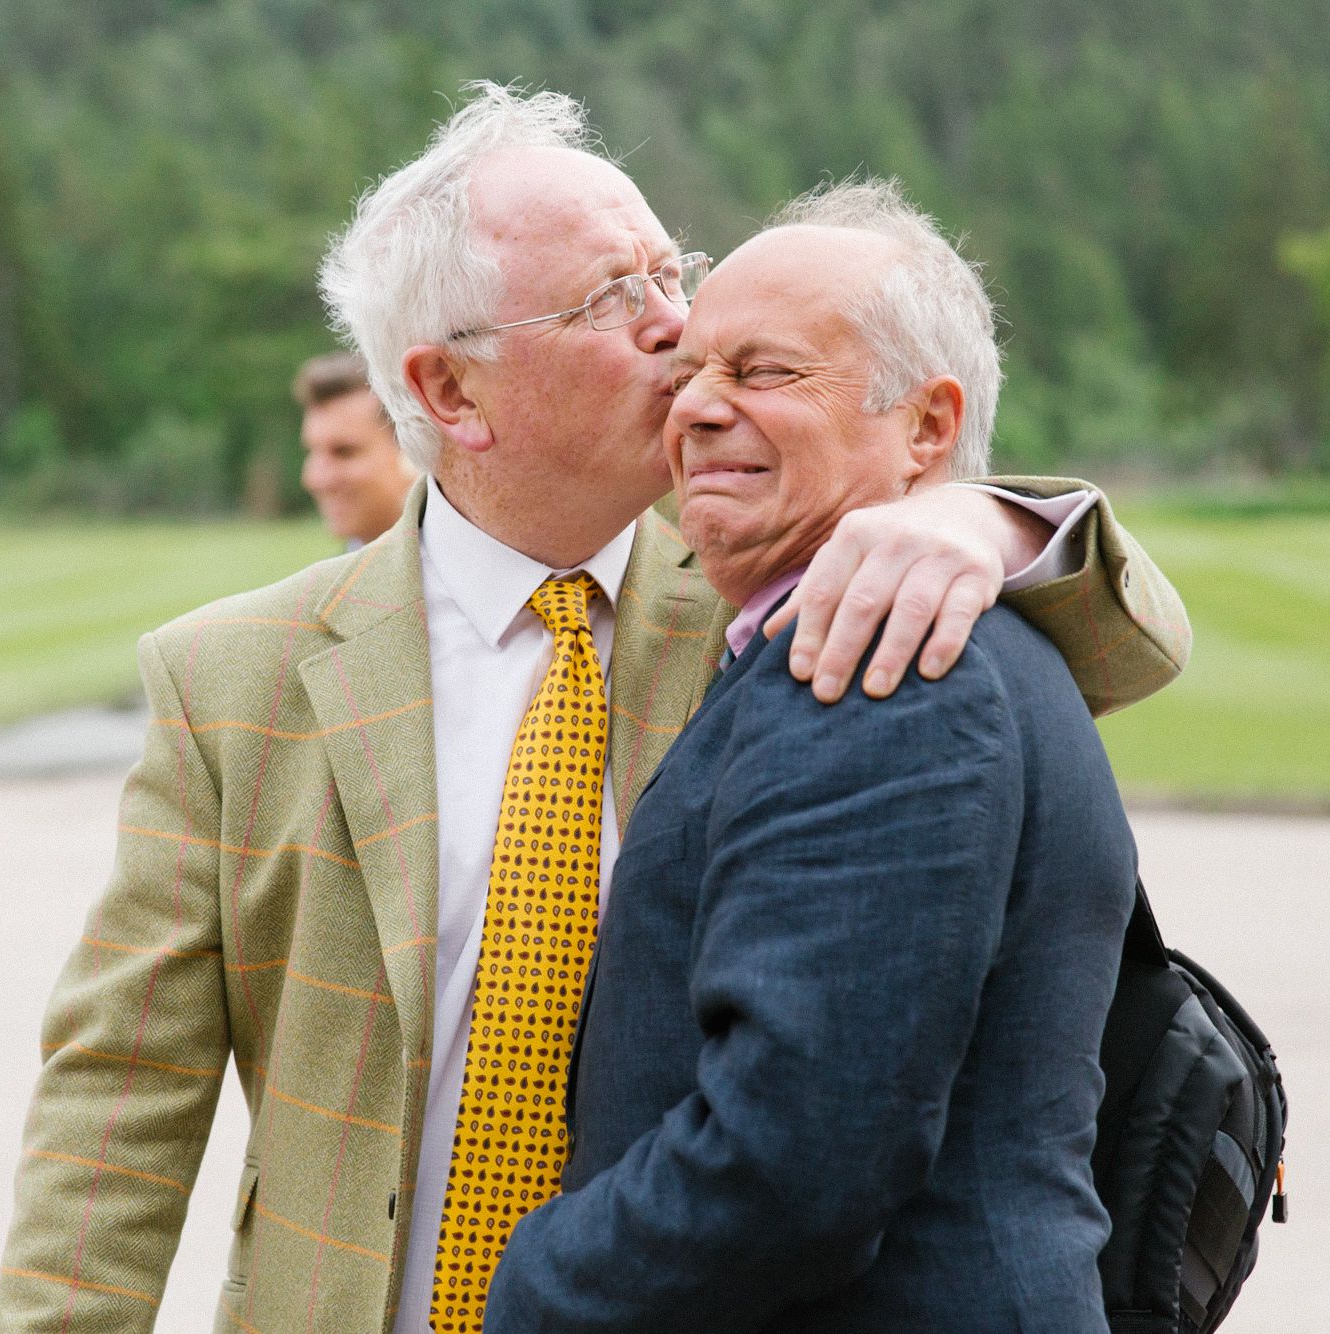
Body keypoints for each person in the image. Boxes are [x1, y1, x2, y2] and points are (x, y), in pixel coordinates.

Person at [0, 85, 1188, 1334]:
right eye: (614, 298)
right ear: (450, 392)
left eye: (674, 272)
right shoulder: (233, 679)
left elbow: (1120, 649)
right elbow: (119, 1098)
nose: (679, 328)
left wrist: (979, 513)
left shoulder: (806, 605)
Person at [484, 180, 1137, 1332]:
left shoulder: (881, 664)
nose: (693, 409)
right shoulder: (908, 632)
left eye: (763, 371)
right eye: (687, 372)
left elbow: (795, 1158)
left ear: (927, 429)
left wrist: (536, 1290)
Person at [296, 350, 419, 548]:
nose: (316, 479)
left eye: (344, 452)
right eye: (312, 452)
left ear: (412, 451)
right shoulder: (338, 577)